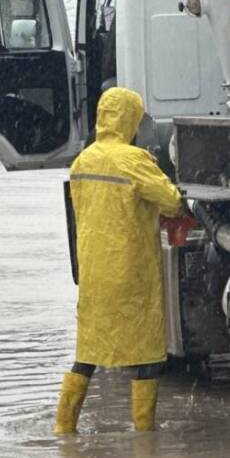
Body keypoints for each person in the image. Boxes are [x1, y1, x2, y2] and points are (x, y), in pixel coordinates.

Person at [53, 87, 184, 435]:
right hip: (131, 270)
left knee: (89, 351)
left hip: (95, 272)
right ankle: (144, 434)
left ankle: (64, 427)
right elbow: (170, 200)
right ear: (129, 119)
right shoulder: (133, 160)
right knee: (147, 355)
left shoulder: (83, 160)